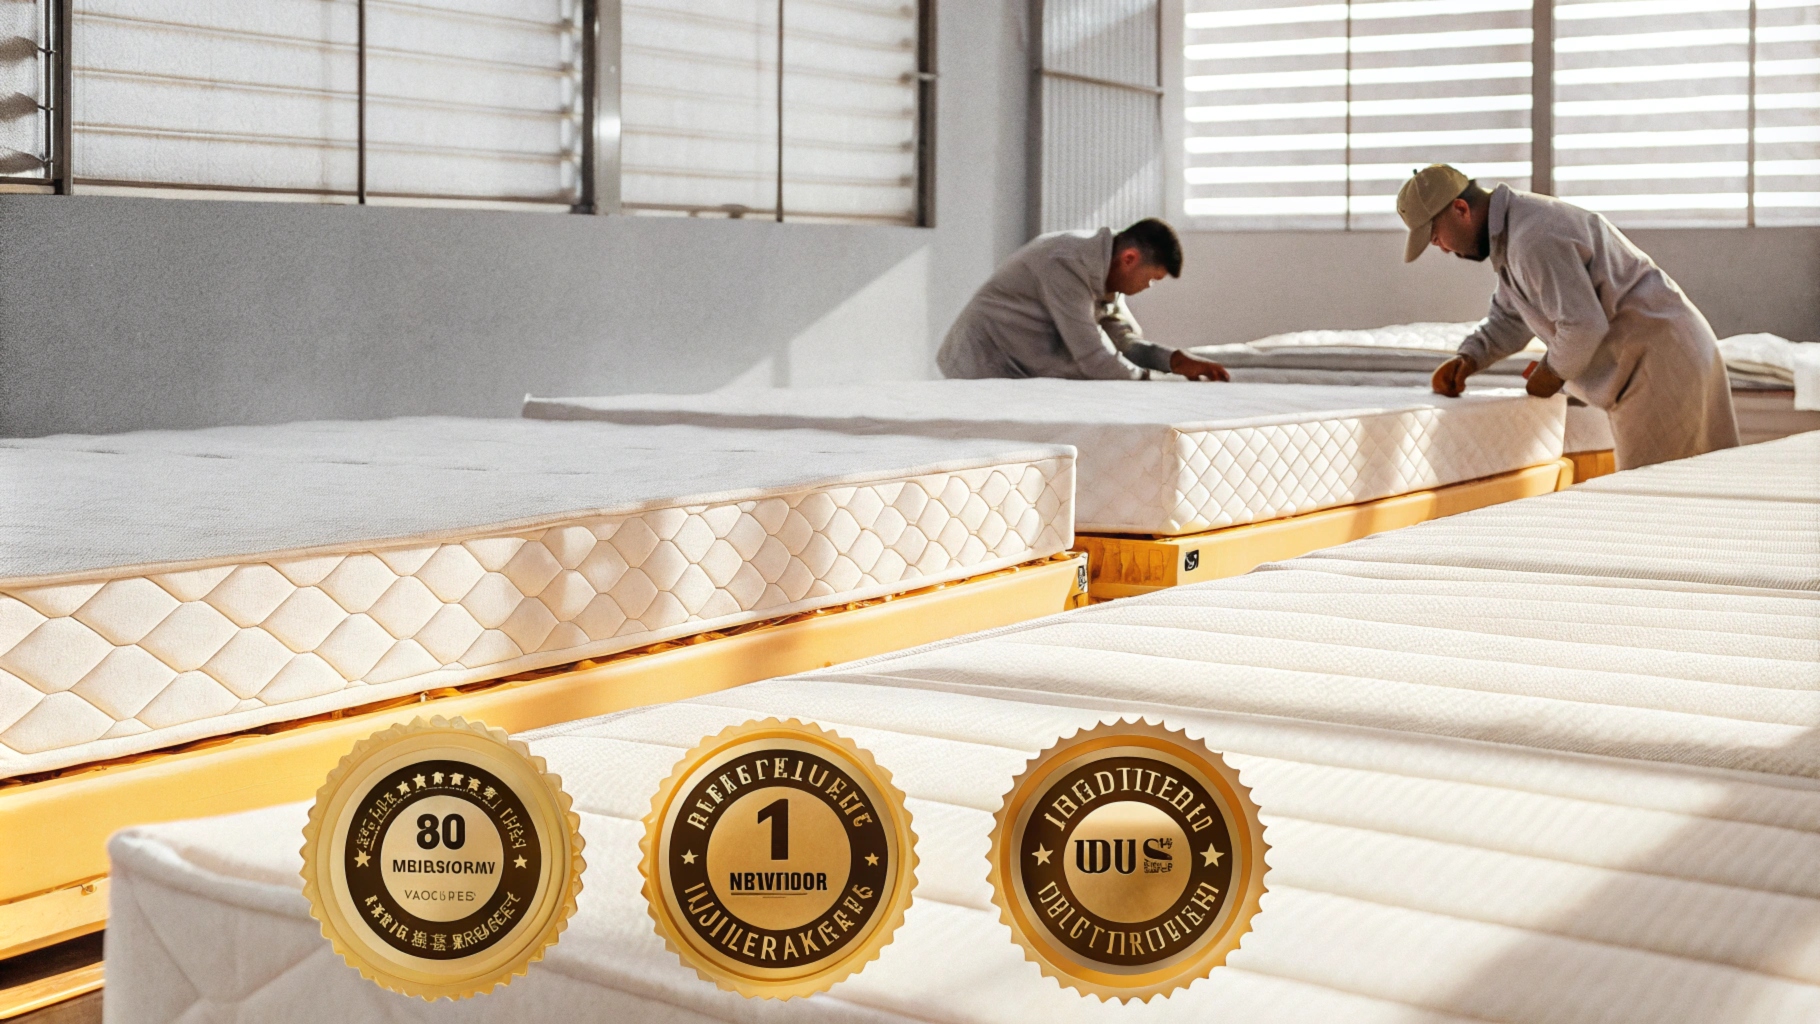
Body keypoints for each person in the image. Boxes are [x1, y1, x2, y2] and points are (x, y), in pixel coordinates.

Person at [1400, 164, 1737, 470]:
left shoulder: (1531, 238)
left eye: (1435, 237)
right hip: (1664, 356)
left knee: (1662, 507)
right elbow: (1511, 317)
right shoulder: (1514, 234)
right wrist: (1469, 357)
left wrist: (1552, 372)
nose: (1442, 249)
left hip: (1661, 364)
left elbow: (1583, 325)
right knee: (1689, 499)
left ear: (1461, 210)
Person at [937, 218, 1229, 382]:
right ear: (1130, 259)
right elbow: (1093, 358)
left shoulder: (1107, 274)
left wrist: (1175, 361)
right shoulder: (1065, 264)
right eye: (1151, 278)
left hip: (1019, 368)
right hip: (981, 363)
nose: (1148, 286)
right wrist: (1156, 383)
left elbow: (1125, 343)